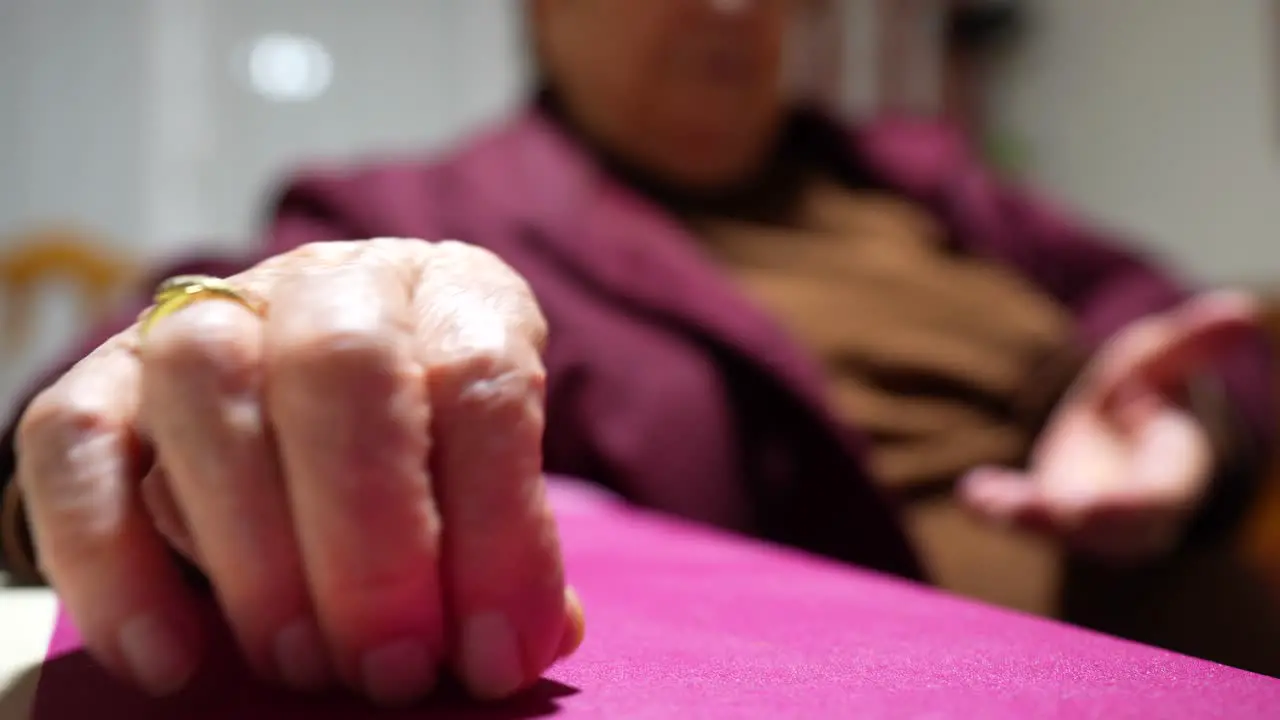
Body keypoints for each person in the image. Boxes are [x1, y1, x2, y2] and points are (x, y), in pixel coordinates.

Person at [0, 0, 1272, 708]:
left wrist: (1184, 422)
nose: (734, 8)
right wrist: (207, 358)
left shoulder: (924, 179)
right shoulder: (424, 201)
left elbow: (1167, 317)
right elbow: (169, 361)